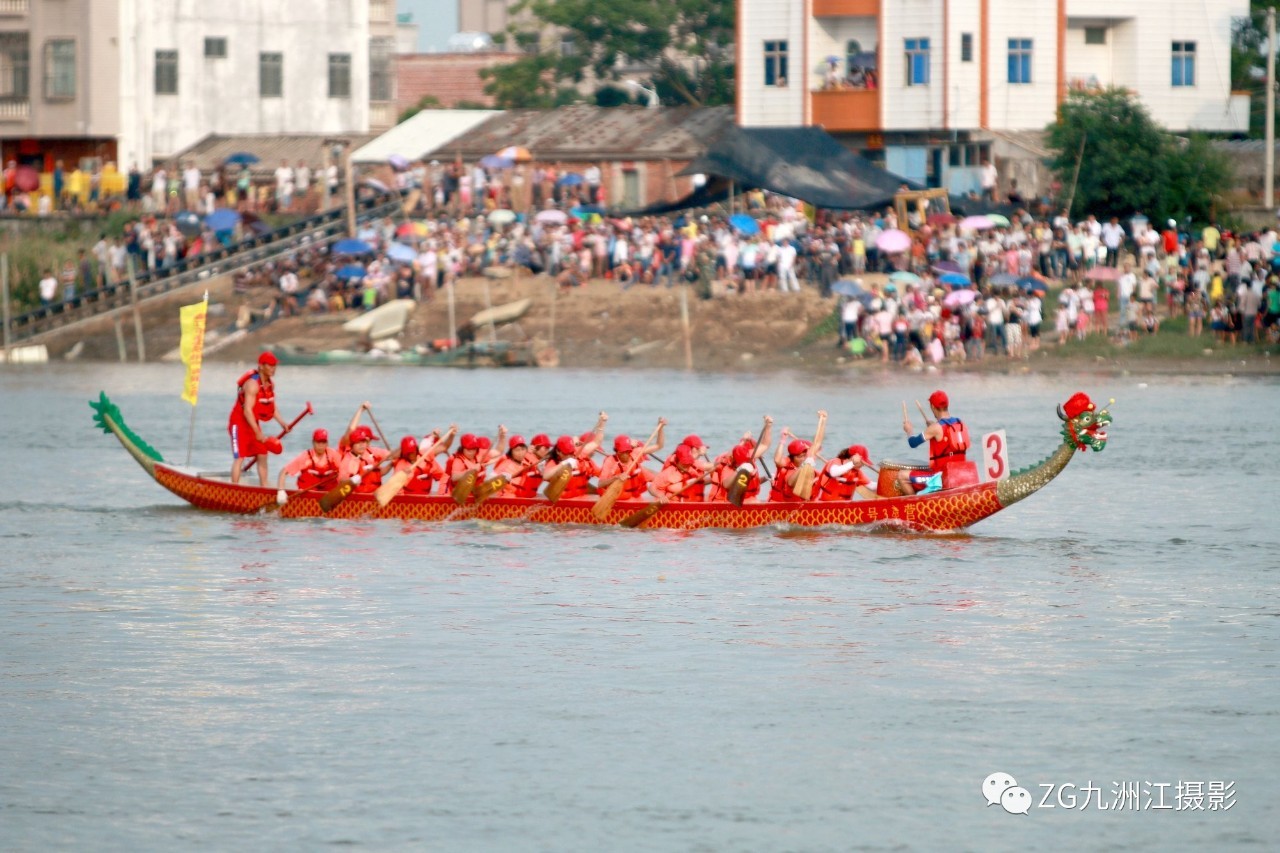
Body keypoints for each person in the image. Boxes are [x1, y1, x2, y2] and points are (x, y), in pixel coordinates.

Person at [228, 351, 289, 485]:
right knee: (240, 457)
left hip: (252, 424)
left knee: (262, 454)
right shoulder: (252, 385)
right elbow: (247, 411)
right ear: (261, 366)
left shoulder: (270, 385)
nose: (273, 368)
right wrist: (257, 432)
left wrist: (282, 423)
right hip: (238, 423)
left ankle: (264, 488)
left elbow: (271, 407)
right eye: (270, 365)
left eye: (275, 365)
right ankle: (234, 488)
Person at [900, 390, 969, 492]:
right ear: (947, 404)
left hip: (940, 477)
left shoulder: (935, 428)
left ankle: (917, 505)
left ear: (932, 407)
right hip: (960, 474)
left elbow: (913, 443)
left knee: (902, 476)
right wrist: (933, 426)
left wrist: (909, 431)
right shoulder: (960, 423)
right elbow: (945, 435)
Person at [598, 420, 666, 502]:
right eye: (623, 452)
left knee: (661, 479)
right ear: (617, 451)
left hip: (634, 495)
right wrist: (616, 478)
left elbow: (659, 445)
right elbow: (600, 484)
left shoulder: (635, 452)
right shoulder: (610, 461)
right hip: (618, 498)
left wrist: (661, 428)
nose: (627, 454)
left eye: (628, 451)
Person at [769, 411, 827, 502]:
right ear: (792, 457)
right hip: (784, 508)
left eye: (805, 456)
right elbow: (777, 460)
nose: (803, 458)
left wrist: (823, 421)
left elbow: (818, 442)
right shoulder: (787, 469)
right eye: (800, 456)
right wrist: (783, 440)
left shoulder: (811, 463)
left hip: (807, 508)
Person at [275, 428, 343, 503]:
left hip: (329, 495)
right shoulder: (305, 456)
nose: (321, 445)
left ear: (327, 443)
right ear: (313, 442)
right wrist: (281, 491)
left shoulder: (333, 455)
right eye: (318, 442)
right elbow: (283, 472)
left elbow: (345, 471)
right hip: (308, 496)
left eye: (323, 442)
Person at [394, 428, 455, 496]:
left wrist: (452, 435)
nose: (412, 454)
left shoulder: (425, 454)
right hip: (408, 499)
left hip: (426, 496)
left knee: (445, 476)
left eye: (413, 451)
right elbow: (396, 490)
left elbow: (444, 447)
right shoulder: (400, 466)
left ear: (416, 448)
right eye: (409, 453)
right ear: (404, 453)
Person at [338, 424, 389, 494]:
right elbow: (342, 483)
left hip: (375, 494)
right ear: (352, 445)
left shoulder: (370, 453)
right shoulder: (348, 461)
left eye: (364, 442)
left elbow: (379, 473)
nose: (362, 445)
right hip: (358, 497)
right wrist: (352, 481)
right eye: (358, 442)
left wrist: (392, 463)